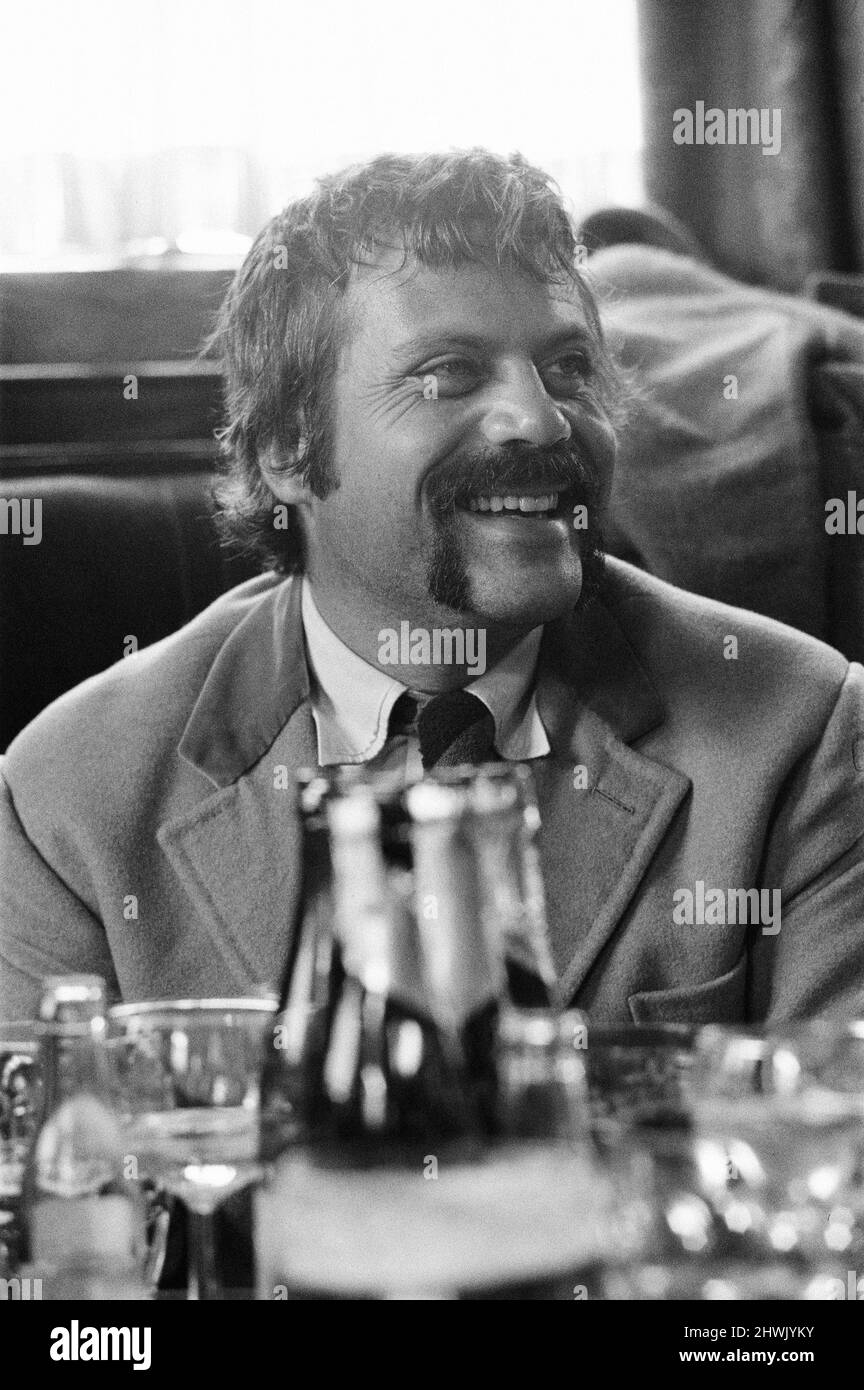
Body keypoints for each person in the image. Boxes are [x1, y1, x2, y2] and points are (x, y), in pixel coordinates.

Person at [1, 150, 862, 1024]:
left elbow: (835, 1130)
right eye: (448, 373)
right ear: (287, 451)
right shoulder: (66, 800)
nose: (540, 418)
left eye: (567, 368)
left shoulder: (799, 728)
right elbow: (60, 1153)